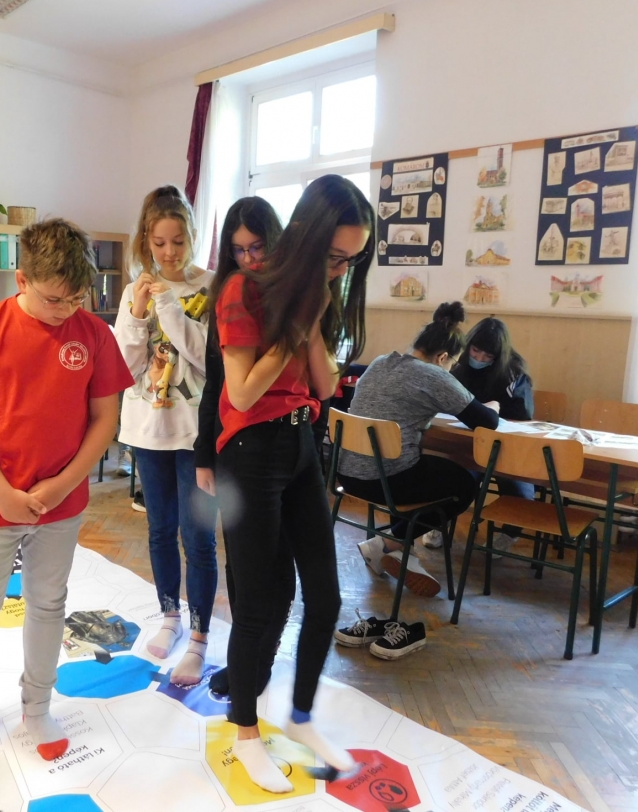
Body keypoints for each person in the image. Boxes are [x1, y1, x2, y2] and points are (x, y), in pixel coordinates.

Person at [0, 218, 133, 762]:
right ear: (21, 280)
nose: (65, 310)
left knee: (48, 604)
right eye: (53, 299)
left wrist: (63, 484)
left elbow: (104, 419)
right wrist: (3, 493)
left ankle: (37, 706)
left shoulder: (93, 333)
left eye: (77, 299)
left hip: (60, 502)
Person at [214, 175, 372, 792]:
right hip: (251, 450)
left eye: (351, 260)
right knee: (257, 604)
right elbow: (242, 392)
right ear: (306, 239)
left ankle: (301, 717)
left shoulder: (316, 294)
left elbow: (326, 386)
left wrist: (313, 319)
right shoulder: (243, 288)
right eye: (334, 257)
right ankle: (245, 733)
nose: (341, 270)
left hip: (302, 443)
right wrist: (295, 328)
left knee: (326, 597)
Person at [334, 302, 500, 649]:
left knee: (432, 472)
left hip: (348, 476)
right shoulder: (433, 375)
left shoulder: (380, 362)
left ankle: (391, 547)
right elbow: (485, 421)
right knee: (464, 484)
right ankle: (390, 544)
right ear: (443, 357)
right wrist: (493, 406)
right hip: (389, 479)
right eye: (452, 364)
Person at [114, 185, 217, 686]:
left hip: (195, 432)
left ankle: (199, 636)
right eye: (159, 243)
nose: (169, 252)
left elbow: (206, 359)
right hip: (147, 430)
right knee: (159, 530)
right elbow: (124, 367)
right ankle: (170, 616)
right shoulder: (136, 288)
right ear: (146, 240)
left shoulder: (211, 286)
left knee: (199, 538)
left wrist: (170, 308)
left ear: (192, 236)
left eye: (178, 241)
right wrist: (137, 314)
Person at [194, 197, 287, 698]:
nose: (250, 259)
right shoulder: (230, 295)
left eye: (258, 247)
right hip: (238, 446)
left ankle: (261, 661)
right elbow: (218, 385)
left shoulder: (292, 295)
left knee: (279, 568)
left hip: (289, 448)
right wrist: (203, 454)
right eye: (238, 250)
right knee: (245, 567)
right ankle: (245, 663)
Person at [444, 317, 535, 552]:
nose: (479, 358)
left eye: (487, 356)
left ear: (498, 356)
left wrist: (489, 412)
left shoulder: (513, 373)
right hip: (466, 443)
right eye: (475, 351)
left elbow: (523, 416)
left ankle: (510, 533)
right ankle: (439, 522)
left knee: (516, 485)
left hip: (503, 445)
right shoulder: (458, 365)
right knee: (455, 476)